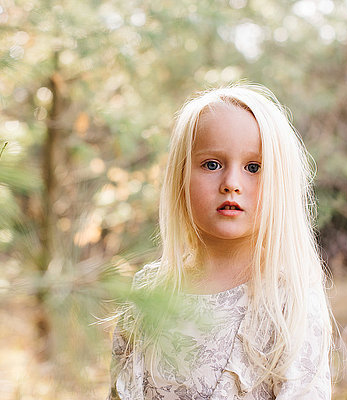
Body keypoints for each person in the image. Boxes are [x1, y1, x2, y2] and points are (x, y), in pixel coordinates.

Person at [108, 83, 333, 399]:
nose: (231, 184)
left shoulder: (288, 302)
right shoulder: (148, 295)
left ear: (279, 181)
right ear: (181, 177)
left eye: (253, 167)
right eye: (212, 164)